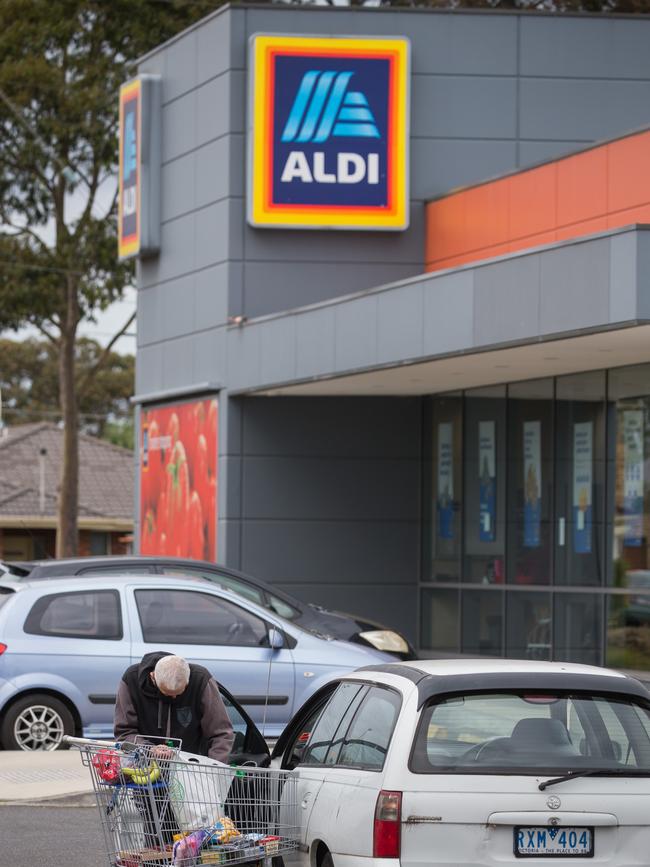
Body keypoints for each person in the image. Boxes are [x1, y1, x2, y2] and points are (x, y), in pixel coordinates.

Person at [114, 651, 234, 761]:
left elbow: (221, 733)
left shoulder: (200, 679)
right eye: (166, 693)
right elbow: (125, 732)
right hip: (145, 765)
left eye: (179, 693)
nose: (173, 698)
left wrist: (213, 770)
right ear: (153, 677)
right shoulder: (131, 680)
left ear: (188, 681)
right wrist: (149, 749)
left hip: (191, 768)